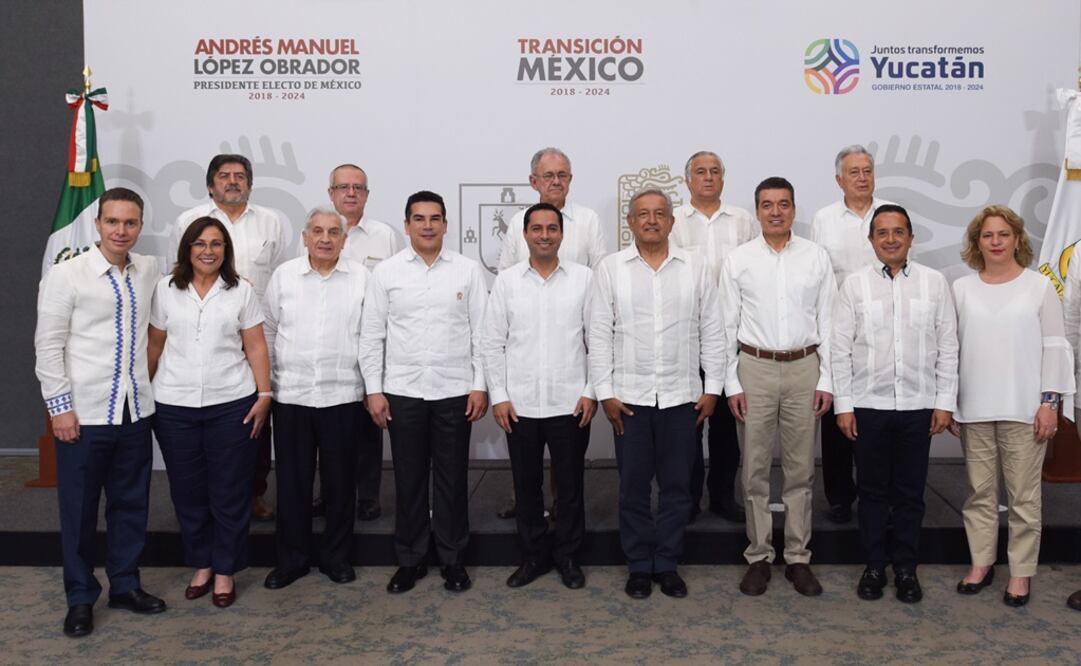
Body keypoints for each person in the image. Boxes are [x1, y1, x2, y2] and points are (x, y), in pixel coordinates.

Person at [35, 187, 166, 637]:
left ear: (140, 226)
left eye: (130, 223)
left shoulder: (148, 269)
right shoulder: (66, 275)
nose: (121, 230)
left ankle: (126, 585)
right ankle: (80, 597)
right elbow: (48, 346)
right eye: (113, 221)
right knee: (79, 510)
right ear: (98, 224)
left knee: (131, 505)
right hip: (83, 415)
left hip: (133, 412)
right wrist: (60, 409)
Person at [590, 188, 724, 600]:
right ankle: (638, 566)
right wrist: (605, 393)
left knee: (677, 487)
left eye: (660, 214)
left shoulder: (696, 267)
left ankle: (666, 563)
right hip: (628, 400)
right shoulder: (611, 269)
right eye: (642, 214)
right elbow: (598, 334)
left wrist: (713, 388)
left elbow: (713, 329)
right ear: (629, 222)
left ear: (671, 222)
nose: (651, 220)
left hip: (682, 396)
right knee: (632, 487)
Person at [361, 190, 488, 594]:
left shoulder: (467, 271)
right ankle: (411, 560)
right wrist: (374, 391)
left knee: (452, 480)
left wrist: (479, 384)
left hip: (454, 391)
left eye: (435, 218)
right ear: (407, 225)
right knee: (409, 479)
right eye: (419, 218)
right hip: (402, 392)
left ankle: (452, 559)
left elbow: (482, 335)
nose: (428, 225)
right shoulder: (387, 273)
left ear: (446, 225)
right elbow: (371, 336)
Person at [831, 204, 958, 603]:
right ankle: (873, 565)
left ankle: (905, 568)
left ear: (910, 237)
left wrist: (944, 402)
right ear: (871, 241)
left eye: (898, 232)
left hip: (918, 404)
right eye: (882, 233)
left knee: (909, 493)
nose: (890, 239)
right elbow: (839, 350)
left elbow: (949, 347)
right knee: (870, 492)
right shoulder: (854, 286)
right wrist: (844, 406)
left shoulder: (935, 283)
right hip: (869, 404)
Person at [951, 205, 1074, 607]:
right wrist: (950, 403)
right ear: (977, 242)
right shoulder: (961, 289)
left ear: (1017, 239)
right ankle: (981, 564)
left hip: (1025, 409)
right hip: (975, 408)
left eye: (1004, 234)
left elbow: (1056, 346)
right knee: (979, 495)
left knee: (1024, 498)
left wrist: (1049, 404)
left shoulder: (1038, 287)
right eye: (988, 235)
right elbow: (951, 351)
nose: (996, 242)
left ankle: (1020, 574)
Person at [148, 216, 272, 608]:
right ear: (187, 248)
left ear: (226, 251)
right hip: (173, 405)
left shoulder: (240, 292)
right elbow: (154, 346)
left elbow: (255, 346)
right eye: (200, 243)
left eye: (216, 244)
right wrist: (143, 393)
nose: (208, 250)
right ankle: (200, 562)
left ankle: (224, 570)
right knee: (187, 491)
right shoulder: (165, 290)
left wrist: (265, 393)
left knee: (230, 490)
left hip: (231, 402)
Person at [722, 176, 835, 597]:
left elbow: (830, 324)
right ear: (757, 211)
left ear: (793, 209)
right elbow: (724, 326)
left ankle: (798, 557)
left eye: (783, 204)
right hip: (755, 368)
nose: (775, 212)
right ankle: (758, 555)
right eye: (767, 205)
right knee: (753, 470)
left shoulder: (816, 257)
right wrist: (731, 383)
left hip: (805, 367)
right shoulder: (739, 260)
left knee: (800, 470)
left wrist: (827, 379)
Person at [480, 202, 596, 589]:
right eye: (537, 228)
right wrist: (498, 395)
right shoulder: (508, 281)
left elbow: (598, 340)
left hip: (570, 402)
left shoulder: (584, 279)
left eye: (552, 228)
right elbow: (492, 342)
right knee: (526, 486)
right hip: (520, 404)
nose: (544, 234)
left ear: (562, 234)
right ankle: (533, 556)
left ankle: (567, 556)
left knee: (570, 486)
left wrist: (591, 391)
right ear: (525, 234)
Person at [173, 154, 287, 522]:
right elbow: (176, 274)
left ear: (250, 184)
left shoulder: (272, 222)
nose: (233, 182)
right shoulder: (188, 222)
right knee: (207, 415)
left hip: (260, 333)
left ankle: (254, 492)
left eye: (240, 176)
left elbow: (283, 277)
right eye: (224, 176)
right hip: (206, 331)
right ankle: (205, 496)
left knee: (256, 416)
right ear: (210, 185)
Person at [261, 208, 370, 590]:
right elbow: (270, 332)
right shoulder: (284, 277)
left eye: (333, 232)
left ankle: (336, 558)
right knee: (292, 483)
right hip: (292, 395)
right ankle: (291, 560)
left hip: (342, 394)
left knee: (341, 484)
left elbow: (370, 337)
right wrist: (270, 386)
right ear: (305, 237)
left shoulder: (362, 278)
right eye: (318, 232)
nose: (325, 239)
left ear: (344, 239)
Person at [496, 147, 606, 520]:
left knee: (568, 468)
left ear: (570, 180)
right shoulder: (516, 224)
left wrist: (593, 383)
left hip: (570, 359)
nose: (556, 181)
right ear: (533, 181)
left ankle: (561, 514)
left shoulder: (588, 220)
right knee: (526, 472)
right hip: (526, 367)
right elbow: (508, 278)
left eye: (563, 175)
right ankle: (527, 514)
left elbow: (601, 281)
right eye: (548, 175)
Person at [670, 150, 758, 523]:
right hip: (687, 339)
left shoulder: (743, 221)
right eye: (700, 172)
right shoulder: (672, 221)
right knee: (688, 426)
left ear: (724, 178)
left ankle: (723, 496)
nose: (708, 177)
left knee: (726, 426)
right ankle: (687, 498)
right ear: (687, 179)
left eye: (715, 171)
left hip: (733, 338)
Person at [314, 164, 404, 522]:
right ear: (330, 192)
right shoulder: (316, 231)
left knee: (369, 426)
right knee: (327, 431)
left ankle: (367, 496)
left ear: (367, 194)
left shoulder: (385, 236)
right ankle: (329, 494)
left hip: (371, 344)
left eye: (358, 188)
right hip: (327, 344)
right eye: (343, 187)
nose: (351, 193)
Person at [811, 145, 893, 524]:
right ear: (838, 179)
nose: (862, 177)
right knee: (837, 414)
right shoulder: (824, 219)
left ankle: (880, 492)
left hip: (885, 331)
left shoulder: (890, 213)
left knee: (878, 417)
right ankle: (840, 496)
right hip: (838, 329)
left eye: (867, 170)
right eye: (854, 171)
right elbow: (819, 277)